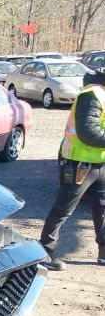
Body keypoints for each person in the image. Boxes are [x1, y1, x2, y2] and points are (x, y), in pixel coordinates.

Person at [40, 70, 105, 270]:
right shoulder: (92, 95)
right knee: (63, 209)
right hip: (79, 163)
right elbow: (88, 132)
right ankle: (45, 253)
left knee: (102, 208)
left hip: (99, 162)